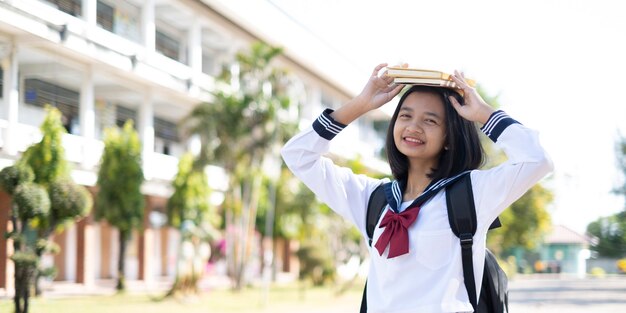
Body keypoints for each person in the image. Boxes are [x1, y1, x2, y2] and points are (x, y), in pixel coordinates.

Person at [281, 63, 553, 312]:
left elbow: (536, 159)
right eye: (406, 116)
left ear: (450, 136)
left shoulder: (472, 193)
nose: (413, 127)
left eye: (430, 120)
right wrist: (361, 104)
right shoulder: (371, 199)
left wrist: (482, 112)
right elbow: (298, 155)